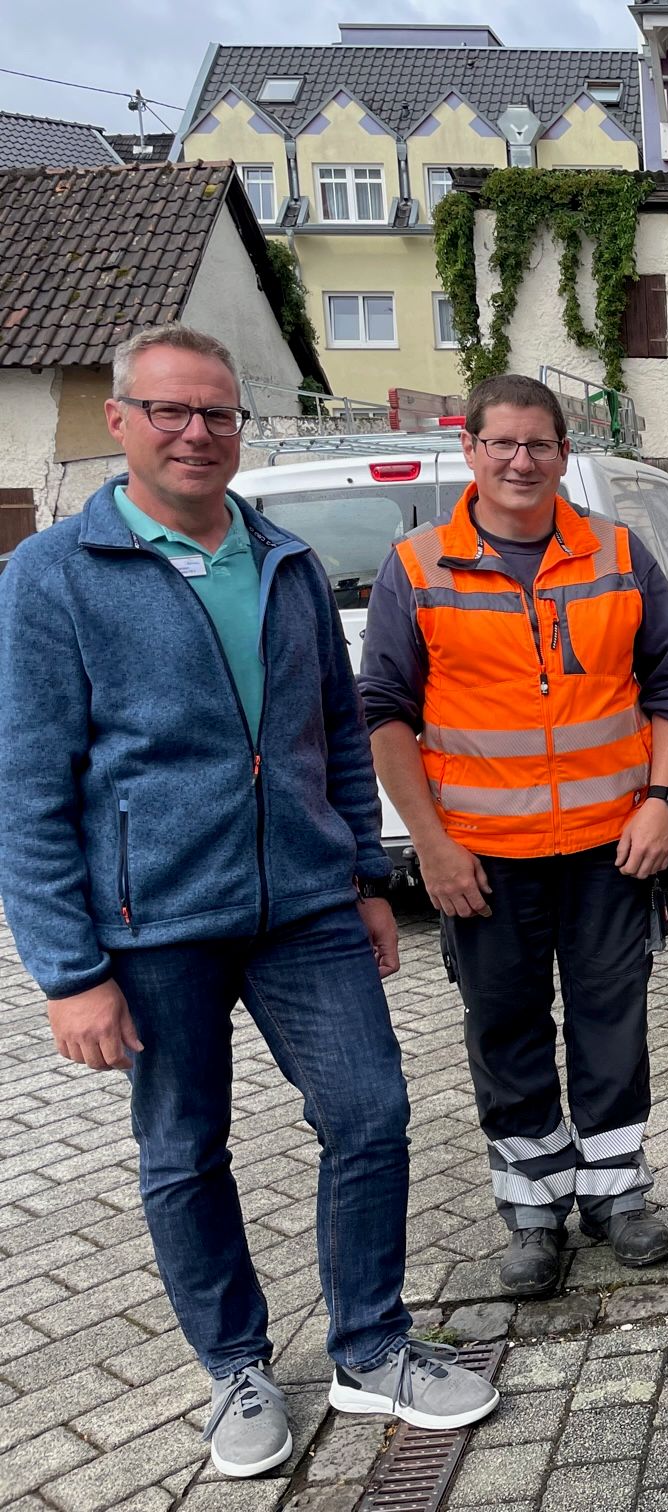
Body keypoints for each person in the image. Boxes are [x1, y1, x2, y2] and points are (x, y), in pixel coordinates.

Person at [0, 325, 497, 1479]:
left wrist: (362, 882)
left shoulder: (281, 559)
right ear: (120, 420)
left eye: (217, 413)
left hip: (304, 910)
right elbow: (26, 786)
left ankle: (372, 1347)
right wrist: (68, 971)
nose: (195, 433)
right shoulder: (53, 575)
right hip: (153, 924)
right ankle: (235, 1369)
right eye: (170, 411)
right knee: (184, 1148)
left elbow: (330, 733)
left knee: (370, 1114)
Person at [360, 374, 668, 1296]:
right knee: (505, 1027)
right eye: (501, 443)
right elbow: (384, 713)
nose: (520, 461)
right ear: (469, 450)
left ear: (563, 454)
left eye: (539, 445)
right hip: (481, 858)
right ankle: (533, 1206)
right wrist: (429, 844)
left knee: (610, 1022)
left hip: (609, 847)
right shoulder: (419, 565)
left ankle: (617, 1192)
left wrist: (662, 800)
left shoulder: (618, 553)